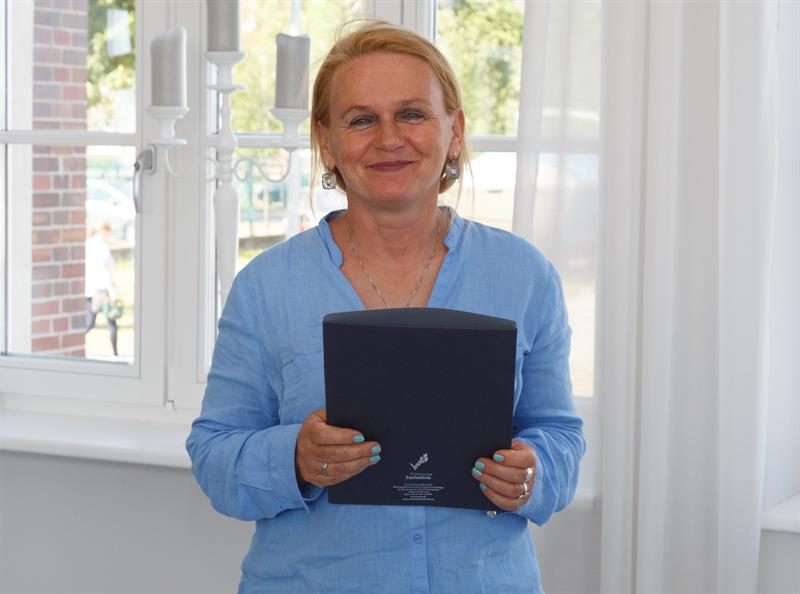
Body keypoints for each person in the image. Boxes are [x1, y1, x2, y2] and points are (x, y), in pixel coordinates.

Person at [187, 19, 584, 594]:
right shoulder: (265, 288)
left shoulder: (525, 276)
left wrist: (533, 472)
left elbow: (560, 435)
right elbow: (213, 455)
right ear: (327, 142)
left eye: (412, 114)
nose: (389, 138)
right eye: (361, 119)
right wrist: (294, 457)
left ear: (454, 131)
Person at [84, 220, 119, 356]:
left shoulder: (88, 244)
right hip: (102, 289)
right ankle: (115, 354)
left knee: (89, 322)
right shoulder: (102, 246)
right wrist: (112, 289)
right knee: (111, 319)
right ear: (104, 231)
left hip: (89, 288)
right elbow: (105, 270)